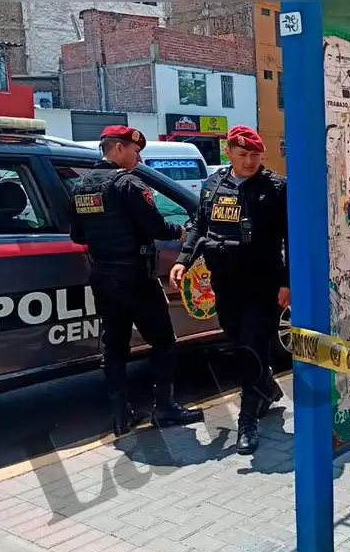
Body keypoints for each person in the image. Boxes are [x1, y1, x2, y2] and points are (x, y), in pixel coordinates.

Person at [67, 126, 204, 436]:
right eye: (134, 150)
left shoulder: (81, 187)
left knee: (115, 346)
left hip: (103, 278)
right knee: (163, 341)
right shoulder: (128, 183)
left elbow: (76, 235)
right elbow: (156, 226)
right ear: (117, 149)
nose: (138, 156)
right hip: (136, 278)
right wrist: (180, 232)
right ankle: (165, 408)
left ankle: (120, 415)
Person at [169, 125, 289, 455]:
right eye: (243, 154)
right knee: (239, 345)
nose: (250, 161)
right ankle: (265, 386)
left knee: (252, 348)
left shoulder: (275, 188)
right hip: (225, 282)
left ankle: (247, 420)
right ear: (229, 153)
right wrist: (183, 260)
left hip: (261, 283)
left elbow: (291, 237)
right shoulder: (213, 186)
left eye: (255, 155)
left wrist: (288, 282)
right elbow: (199, 226)